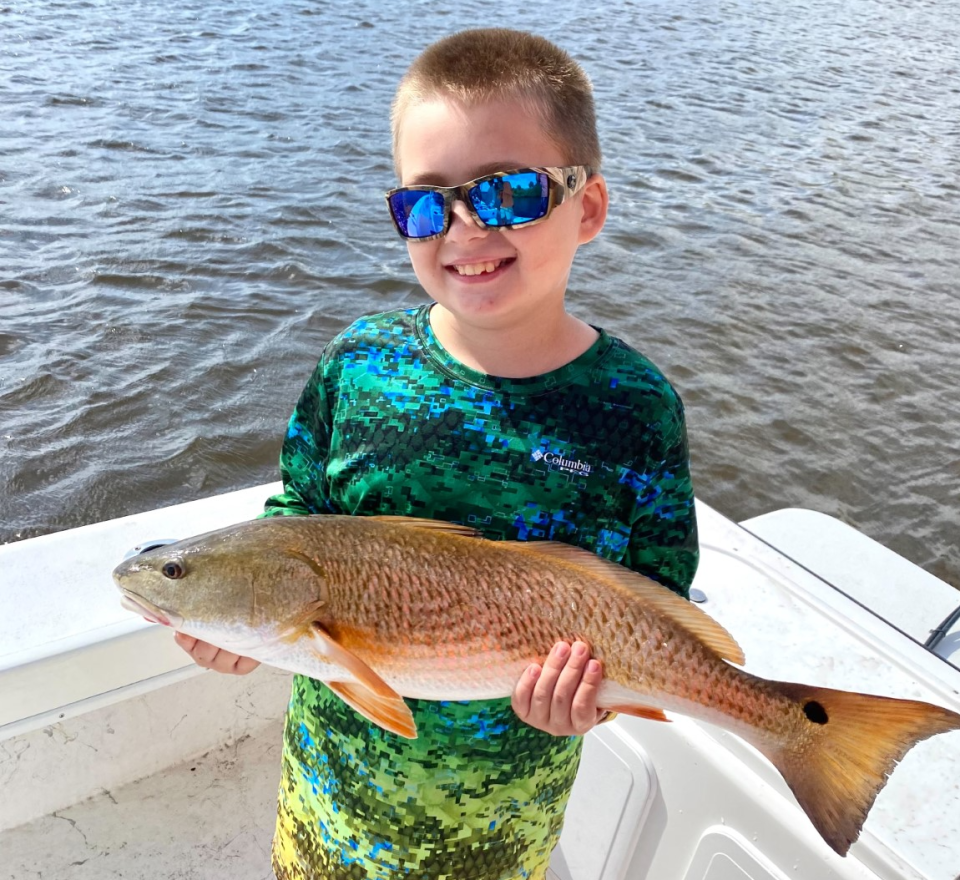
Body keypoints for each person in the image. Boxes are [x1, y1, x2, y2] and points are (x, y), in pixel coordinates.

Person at [176, 27, 699, 880]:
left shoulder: (635, 409)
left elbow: (655, 599)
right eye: (426, 203)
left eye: (509, 193)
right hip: (327, 805)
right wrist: (236, 618)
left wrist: (592, 704)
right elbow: (295, 522)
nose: (463, 227)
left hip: (504, 825)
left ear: (590, 208)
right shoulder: (358, 364)